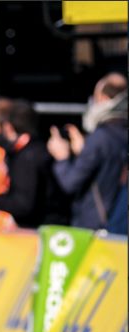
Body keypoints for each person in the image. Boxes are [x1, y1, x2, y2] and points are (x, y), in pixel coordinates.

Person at [47, 72, 128, 233]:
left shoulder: (99, 138)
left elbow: (70, 182)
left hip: (95, 225)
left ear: (104, 99)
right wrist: (84, 151)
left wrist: (62, 158)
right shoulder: (119, 133)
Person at [0, 100, 70, 228]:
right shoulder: (40, 149)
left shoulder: (26, 157)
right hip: (53, 226)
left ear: (8, 127)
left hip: (40, 230)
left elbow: (23, 205)